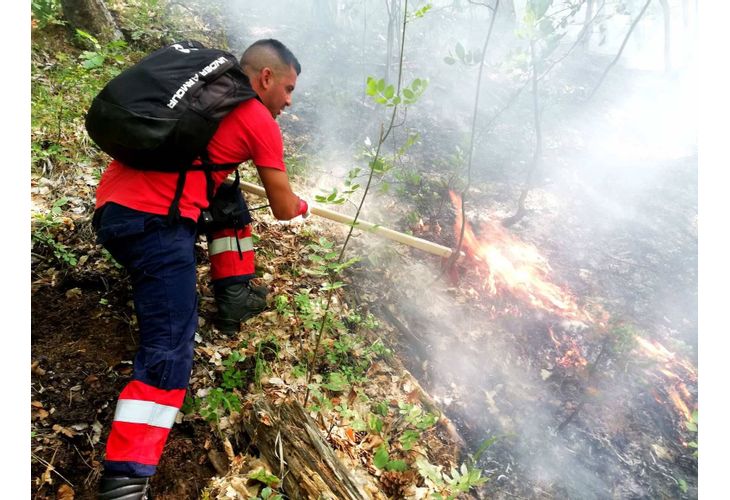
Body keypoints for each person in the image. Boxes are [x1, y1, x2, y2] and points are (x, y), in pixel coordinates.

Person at [93, 39, 308, 499]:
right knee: (170, 346)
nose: (289, 101)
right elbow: (285, 208)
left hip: (112, 211)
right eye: (288, 88)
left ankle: (234, 297)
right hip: (154, 228)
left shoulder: (203, 99)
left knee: (228, 200)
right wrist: (303, 203)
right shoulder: (257, 119)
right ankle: (125, 483)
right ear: (265, 77)